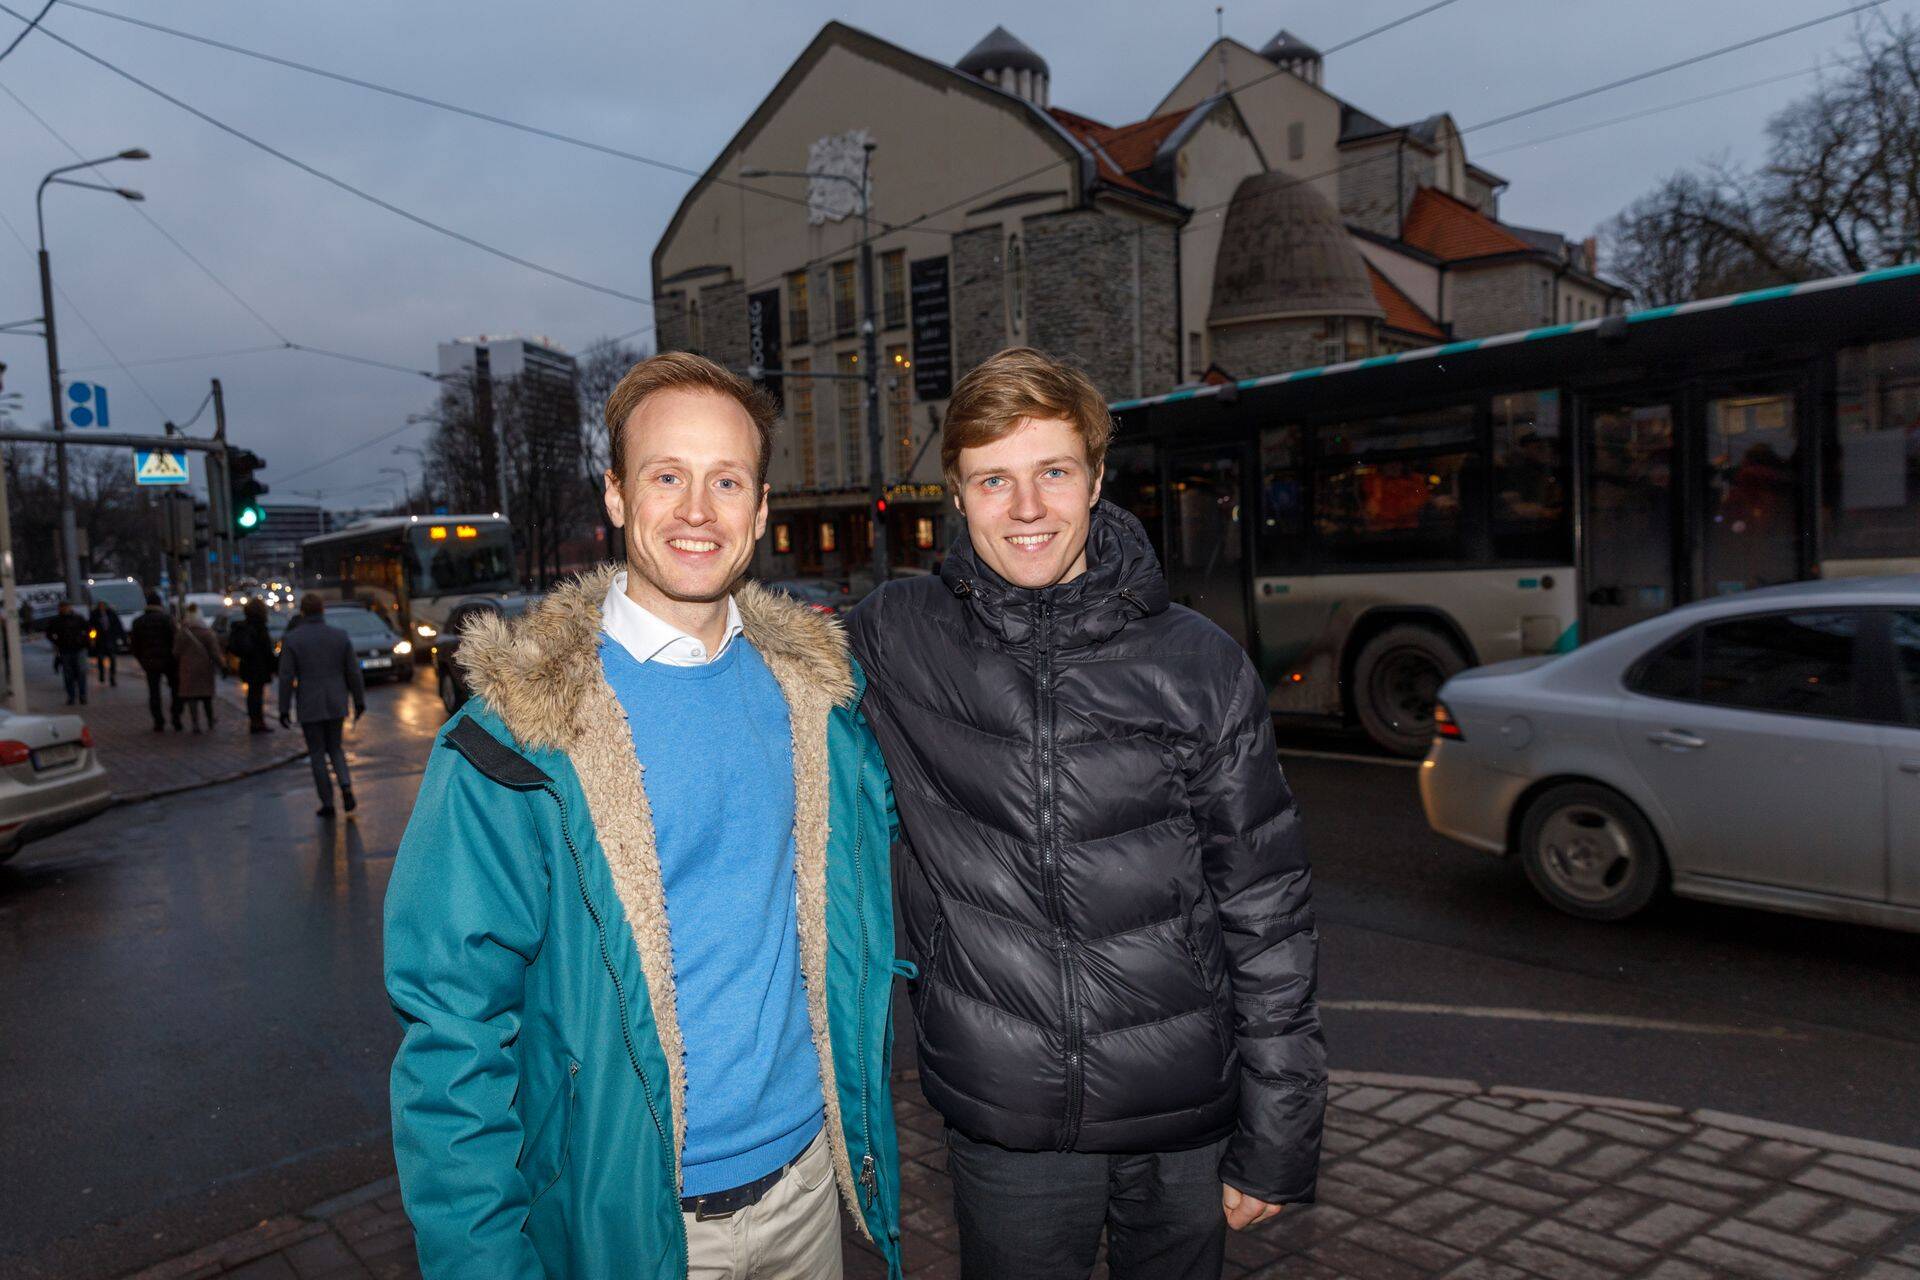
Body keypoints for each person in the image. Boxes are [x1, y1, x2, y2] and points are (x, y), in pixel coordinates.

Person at [384, 351, 906, 1280]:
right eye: (668, 476)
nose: (698, 511)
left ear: (760, 507)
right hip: (631, 1216)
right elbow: (453, 1038)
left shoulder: (818, 702)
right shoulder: (515, 742)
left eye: (726, 481)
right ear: (618, 497)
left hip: (806, 1192)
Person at [849, 348, 1325, 1280]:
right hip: (1010, 1120)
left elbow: (1268, 912)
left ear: (1097, 478)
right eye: (995, 479)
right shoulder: (897, 635)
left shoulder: (1199, 663)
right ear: (957, 493)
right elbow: (733, 663)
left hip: (1187, 1117)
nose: (1027, 509)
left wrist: (1281, 1129)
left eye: (1053, 472)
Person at [278, 594, 364, 818]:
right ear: (322, 610)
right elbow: (353, 672)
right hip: (336, 700)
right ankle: (345, 784)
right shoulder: (339, 636)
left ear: (303, 612)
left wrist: (284, 708)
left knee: (317, 753)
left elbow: (286, 676)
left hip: (310, 703)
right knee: (335, 748)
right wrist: (359, 700)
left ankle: (327, 803)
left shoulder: (293, 639)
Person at [129, 593, 180, 732]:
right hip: (169, 661)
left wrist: (142, 660)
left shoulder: (139, 622)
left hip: (150, 662)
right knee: (175, 689)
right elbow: (175, 641)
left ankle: (158, 721)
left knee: (154, 692)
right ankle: (176, 717)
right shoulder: (167, 620)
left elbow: (134, 645)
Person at [229, 598, 279, 733]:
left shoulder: (244, 626)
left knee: (252, 694)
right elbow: (266, 649)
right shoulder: (260, 627)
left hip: (247, 665)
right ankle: (258, 722)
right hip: (259, 666)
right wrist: (275, 666)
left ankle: (255, 721)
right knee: (257, 695)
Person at [173, 603, 224, 732]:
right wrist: (222, 666)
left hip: (187, 669)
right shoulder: (207, 633)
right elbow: (215, 652)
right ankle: (210, 720)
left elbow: (176, 652)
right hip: (204, 669)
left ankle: (195, 723)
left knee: (192, 697)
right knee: (206, 696)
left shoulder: (182, 633)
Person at [48, 600, 90, 706]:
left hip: (79, 648)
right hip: (65, 649)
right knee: (68, 674)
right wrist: (57, 642)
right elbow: (49, 633)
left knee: (81, 672)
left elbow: (89, 630)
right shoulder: (56, 621)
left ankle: (82, 695)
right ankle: (71, 696)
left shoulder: (78, 618)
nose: (64, 609)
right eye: (62, 607)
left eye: (66, 607)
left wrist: (85, 641)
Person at [88, 600, 124, 687]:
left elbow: (117, 625)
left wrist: (119, 637)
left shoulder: (111, 614)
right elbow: (91, 628)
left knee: (112, 658)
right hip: (100, 640)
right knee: (100, 658)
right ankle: (102, 674)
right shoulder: (95, 615)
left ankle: (112, 677)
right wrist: (92, 638)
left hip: (110, 639)